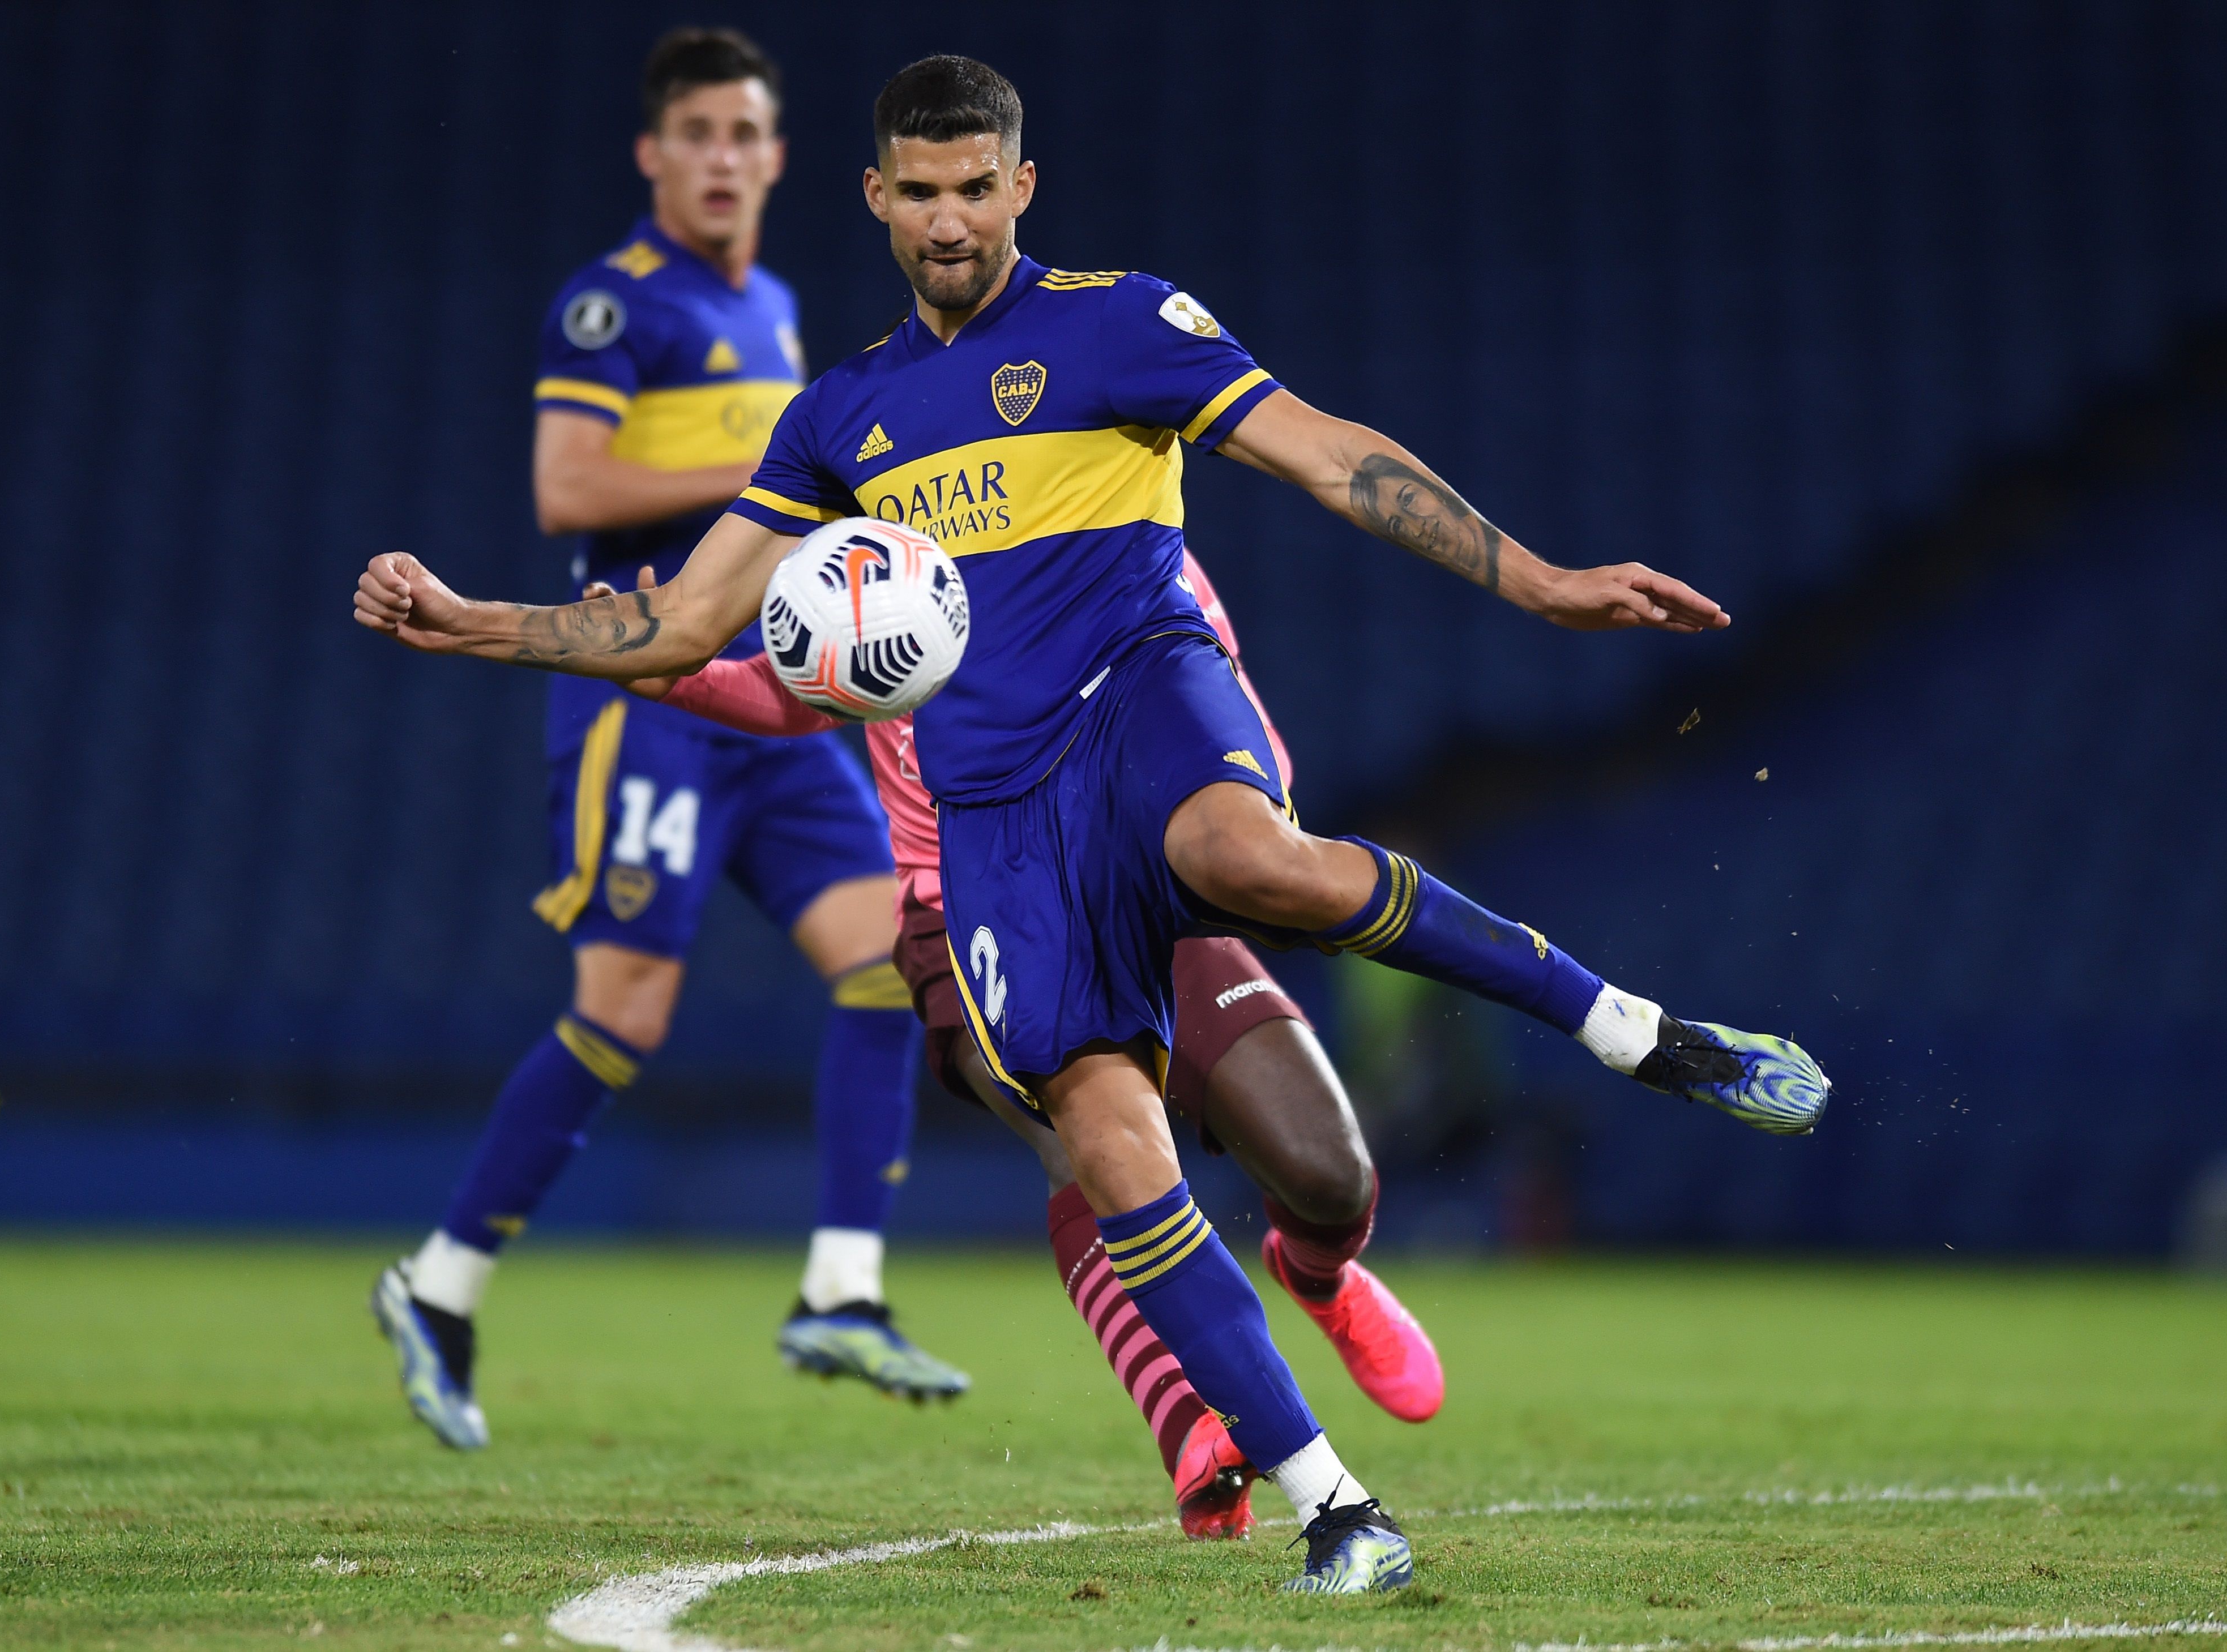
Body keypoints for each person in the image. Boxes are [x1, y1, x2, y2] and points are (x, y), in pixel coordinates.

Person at [352, 54, 1828, 1591]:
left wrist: (1539, 580)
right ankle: (1335, 1506)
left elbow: (1329, 453)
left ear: (1021, 186)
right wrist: (474, 622)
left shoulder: (1121, 321)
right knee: (1115, 1147)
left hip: (1140, 700)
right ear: (875, 197)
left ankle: (1644, 1035)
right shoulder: (836, 418)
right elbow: (683, 621)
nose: (948, 220)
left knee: (1244, 860)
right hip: (993, 819)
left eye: (973, 188)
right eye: (919, 192)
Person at [368, 29, 969, 1457]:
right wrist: (785, 461)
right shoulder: (613, 305)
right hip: (645, 700)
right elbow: (566, 486)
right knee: (626, 1011)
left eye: (743, 133)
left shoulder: (773, 305)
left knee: (889, 958)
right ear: (654, 154)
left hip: (777, 696)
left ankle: (842, 1289)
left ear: (779, 157)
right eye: (695, 133)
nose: (720, 157)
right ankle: (438, 1286)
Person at [619, 546, 1443, 1543]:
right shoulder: (890, 543)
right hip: (960, 906)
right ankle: (1186, 1417)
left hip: (1130, 879)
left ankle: (1318, 1273)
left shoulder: (1130, 541)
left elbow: (1242, 737)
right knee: (1082, 1141)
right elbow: (807, 685)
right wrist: (681, 675)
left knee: (1328, 1173)